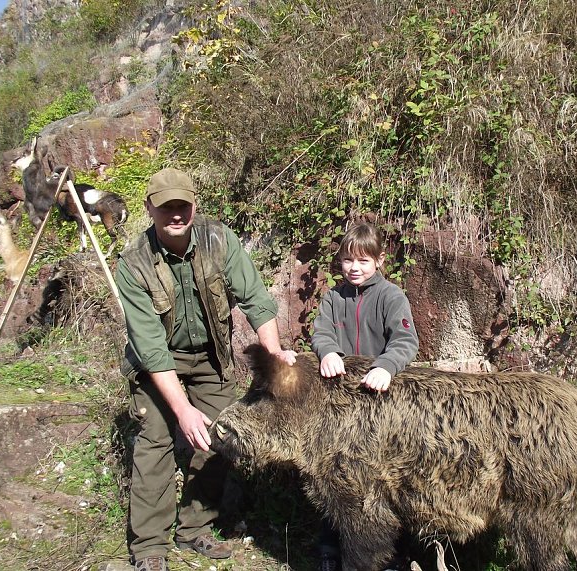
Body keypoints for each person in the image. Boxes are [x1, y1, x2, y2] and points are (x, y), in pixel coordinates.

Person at [115, 167, 297, 571]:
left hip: (210, 357)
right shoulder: (133, 263)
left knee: (217, 437)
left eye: (182, 205)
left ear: (194, 205)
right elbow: (150, 347)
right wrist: (181, 411)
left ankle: (195, 526)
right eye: (166, 208)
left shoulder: (219, 239)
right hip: (156, 363)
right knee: (155, 444)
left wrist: (272, 356)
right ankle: (148, 547)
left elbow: (255, 299)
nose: (175, 214)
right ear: (150, 209)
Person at [310, 221, 419, 571]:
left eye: (363, 261)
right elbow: (322, 333)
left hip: (380, 401)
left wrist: (386, 366)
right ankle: (330, 548)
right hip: (339, 404)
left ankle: (390, 554)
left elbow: (405, 342)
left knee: (385, 480)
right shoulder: (333, 297)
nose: (354, 268)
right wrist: (327, 353)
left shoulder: (391, 296)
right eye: (347, 261)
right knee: (332, 475)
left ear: (379, 261)